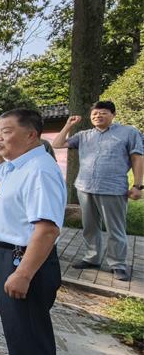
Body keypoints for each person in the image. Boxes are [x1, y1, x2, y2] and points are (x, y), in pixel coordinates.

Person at [0, 109, 66, 355]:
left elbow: (47, 229)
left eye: (6, 131)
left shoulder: (40, 170)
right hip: (5, 254)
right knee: (17, 329)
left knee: (32, 337)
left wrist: (23, 274)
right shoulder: (18, 165)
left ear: (31, 135)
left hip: (22, 260)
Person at [51, 101, 143, 281]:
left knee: (115, 229)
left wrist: (138, 185)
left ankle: (118, 264)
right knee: (90, 226)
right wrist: (68, 125)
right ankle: (92, 258)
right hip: (85, 188)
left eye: (103, 112)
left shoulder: (128, 133)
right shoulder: (84, 135)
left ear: (113, 114)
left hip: (113, 188)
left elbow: (137, 158)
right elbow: (57, 143)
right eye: (94, 114)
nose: (98, 116)